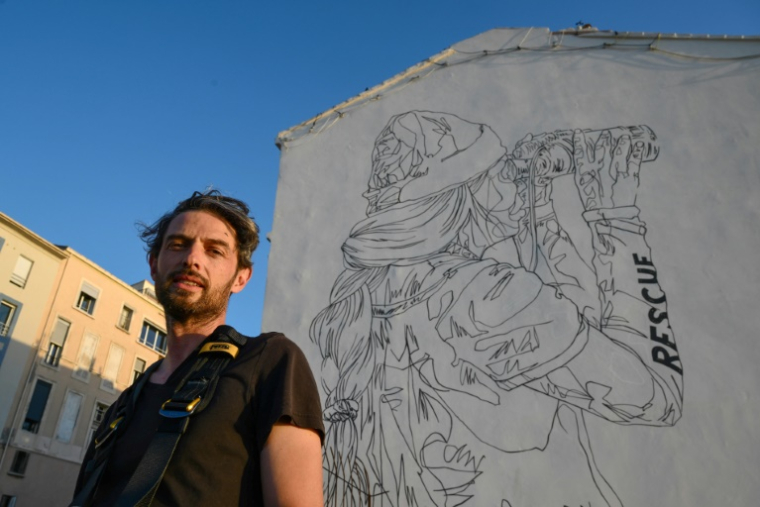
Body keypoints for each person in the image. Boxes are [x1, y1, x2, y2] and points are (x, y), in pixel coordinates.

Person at [312, 111, 683, 506]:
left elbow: (567, 319)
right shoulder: (484, 294)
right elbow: (659, 398)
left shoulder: (361, 293)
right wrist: (615, 217)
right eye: (496, 172)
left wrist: (541, 216)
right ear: (458, 195)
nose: (510, 182)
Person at [72, 190, 324, 506]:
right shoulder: (119, 409)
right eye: (178, 245)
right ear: (154, 265)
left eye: (214, 251)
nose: (192, 259)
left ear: (241, 278)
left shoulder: (270, 361)